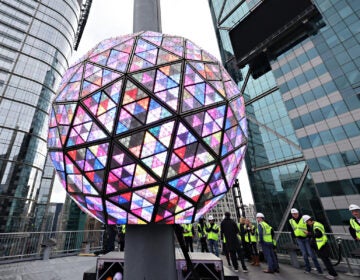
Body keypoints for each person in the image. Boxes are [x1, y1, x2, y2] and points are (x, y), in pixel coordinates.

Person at [303, 215, 338, 280]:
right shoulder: (315, 224)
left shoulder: (316, 226)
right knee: (326, 261)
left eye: (306, 222)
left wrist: (309, 233)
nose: (307, 224)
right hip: (321, 246)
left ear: (309, 220)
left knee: (326, 261)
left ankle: (333, 274)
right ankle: (333, 274)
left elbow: (319, 235)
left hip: (322, 246)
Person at [288, 208, 323, 274]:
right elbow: (291, 229)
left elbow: (310, 226)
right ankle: (308, 269)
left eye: (295, 214)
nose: (294, 215)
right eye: (293, 214)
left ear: (298, 213)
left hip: (306, 238)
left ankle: (319, 269)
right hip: (299, 239)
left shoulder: (303, 218)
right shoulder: (291, 221)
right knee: (304, 254)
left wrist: (309, 234)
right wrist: (294, 235)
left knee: (311, 254)